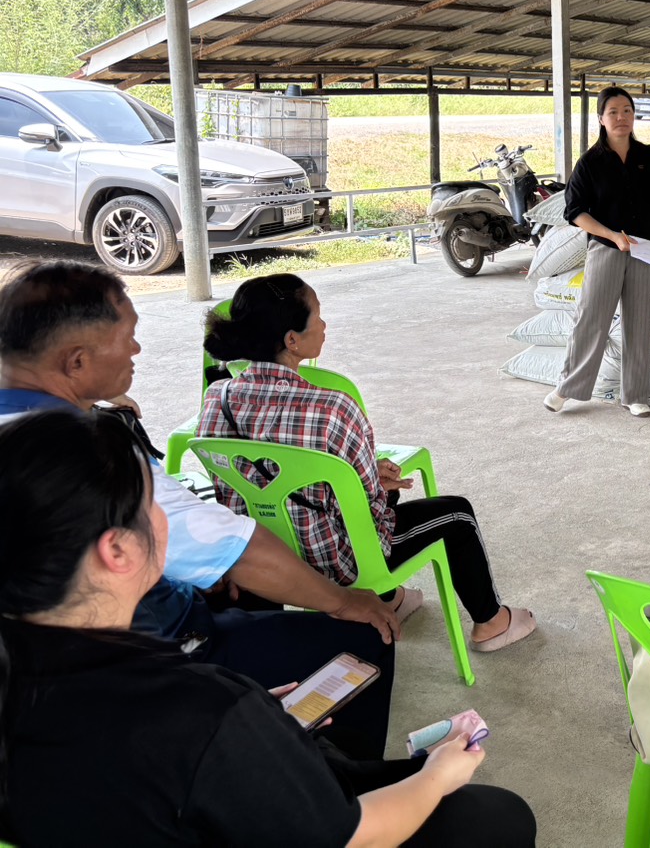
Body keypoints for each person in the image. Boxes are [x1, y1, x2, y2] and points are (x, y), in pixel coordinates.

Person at [0, 408, 538, 847]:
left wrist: (259, 725)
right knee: (495, 817)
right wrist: (436, 775)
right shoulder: (204, 707)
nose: (171, 515)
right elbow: (353, 837)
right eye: (155, 501)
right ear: (117, 550)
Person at [0, 261, 398, 758]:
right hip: (147, 655)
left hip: (38, 667)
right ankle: (338, 792)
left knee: (239, 589)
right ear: (76, 362)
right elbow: (238, 549)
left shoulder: (202, 401)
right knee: (364, 635)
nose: (137, 350)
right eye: (128, 336)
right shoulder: (91, 455)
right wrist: (346, 602)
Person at [197, 273, 536, 654]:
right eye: (317, 316)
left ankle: (391, 600)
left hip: (259, 557)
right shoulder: (333, 406)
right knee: (456, 516)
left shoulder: (217, 397)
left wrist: (366, 481)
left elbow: (229, 483)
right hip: (333, 564)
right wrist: (375, 483)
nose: (324, 325)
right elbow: (369, 512)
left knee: (373, 488)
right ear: (292, 340)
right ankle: (491, 623)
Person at [544, 85, 650, 417]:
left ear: (634, 115)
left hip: (645, 249)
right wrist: (611, 236)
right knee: (592, 317)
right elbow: (575, 212)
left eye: (627, 111)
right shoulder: (590, 163)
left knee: (640, 320)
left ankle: (635, 394)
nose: (621, 118)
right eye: (613, 112)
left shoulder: (649, 156)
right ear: (601, 119)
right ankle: (567, 387)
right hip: (606, 247)